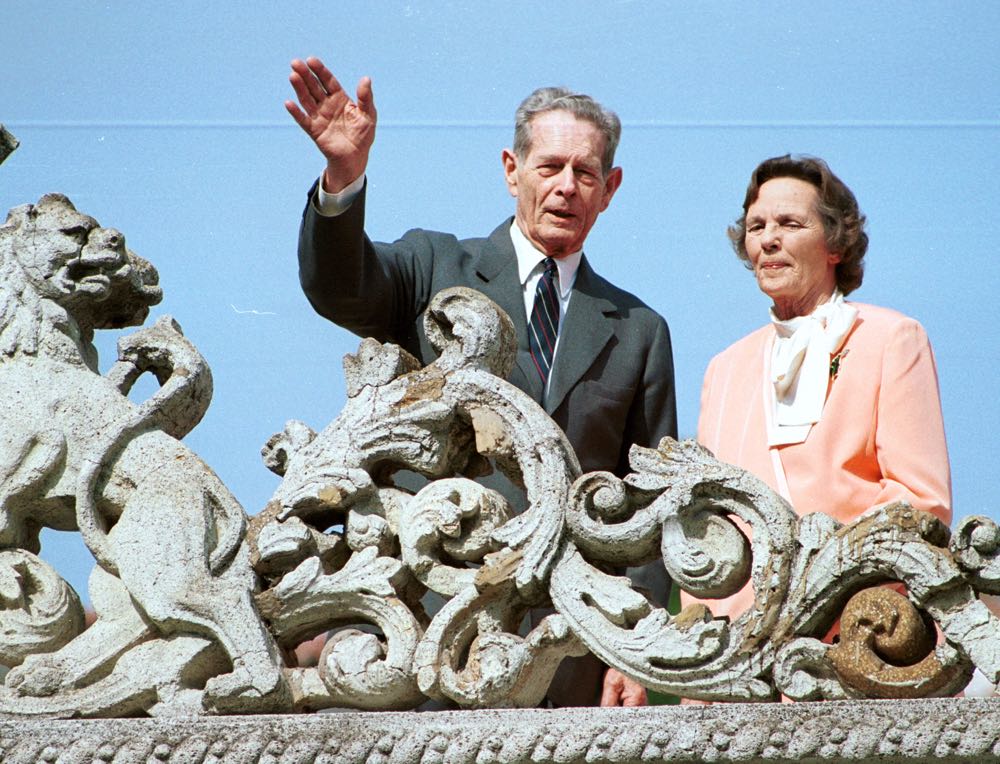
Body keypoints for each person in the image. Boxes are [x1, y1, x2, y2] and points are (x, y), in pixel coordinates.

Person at [286, 57, 678, 707]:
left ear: (610, 188)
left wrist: (637, 649)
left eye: (585, 173)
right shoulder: (435, 266)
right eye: (549, 167)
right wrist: (343, 180)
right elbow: (339, 287)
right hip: (427, 623)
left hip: (570, 646)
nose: (566, 187)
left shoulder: (639, 329)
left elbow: (647, 509)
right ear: (511, 169)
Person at [694, 154, 951, 625]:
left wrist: (819, 584)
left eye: (790, 223)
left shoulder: (891, 338)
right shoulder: (724, 369)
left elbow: (922, 500)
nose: (769, 238)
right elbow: (704, 521)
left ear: (835, 244)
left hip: (859, 631)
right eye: (757, 226)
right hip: (738, 651)